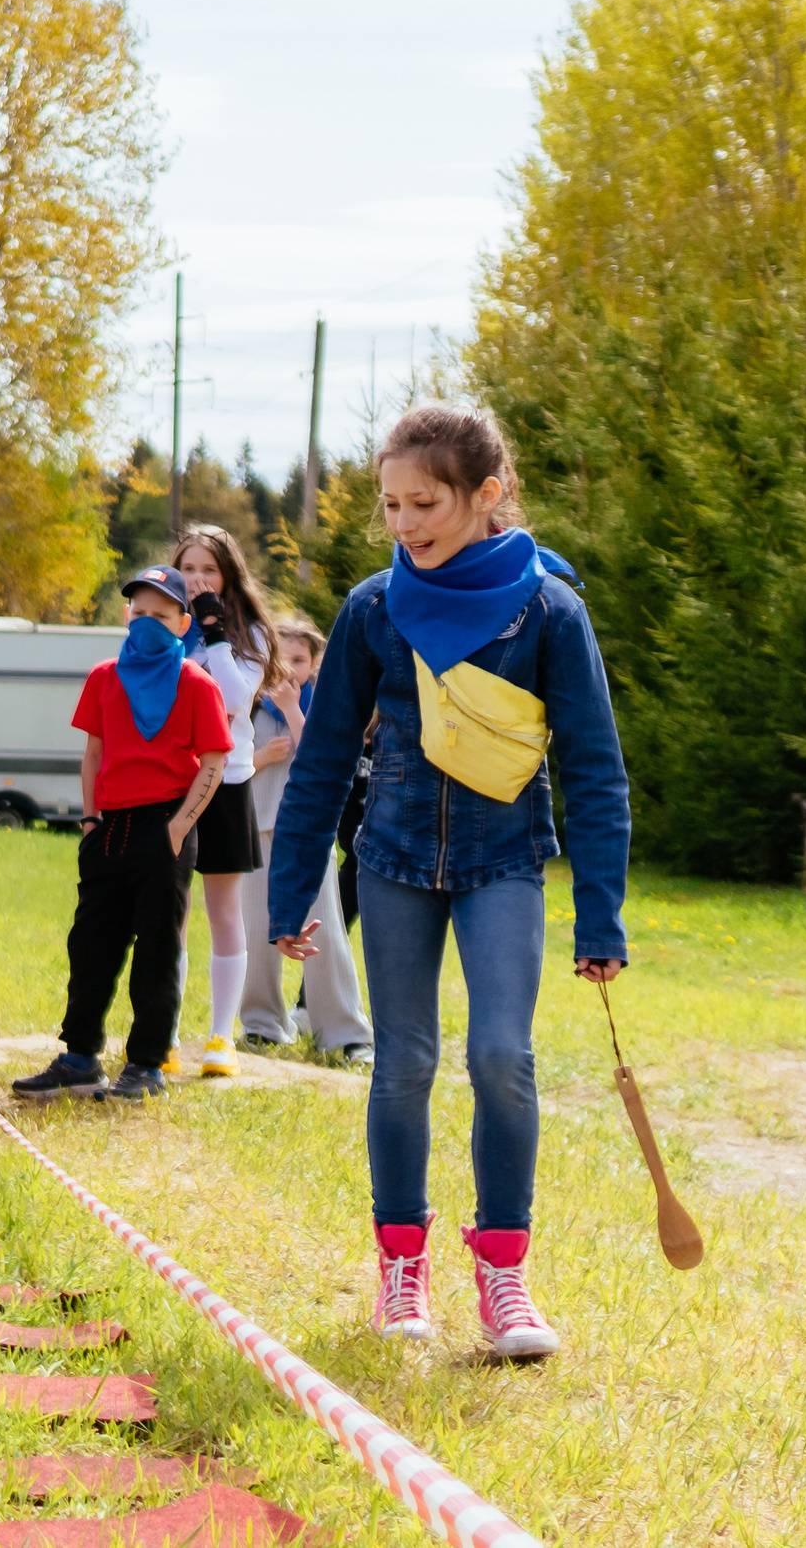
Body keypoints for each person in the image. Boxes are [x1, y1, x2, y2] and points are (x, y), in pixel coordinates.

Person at [268, 403, 629, 1361]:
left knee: (503, 1057)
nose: (403, 524)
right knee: (407, 1062)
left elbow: (594, 768)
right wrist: (293, 888)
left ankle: (504, 1275)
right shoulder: (371, 609)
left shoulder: (550, 610)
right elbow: (322, 760)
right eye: (389, 505)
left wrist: (602, 912)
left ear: (486, 496)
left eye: (423, 503)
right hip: (389, 860)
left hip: (504, 859)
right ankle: (401, 1268)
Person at [11, 566, 228, 1105]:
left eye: (161, 614)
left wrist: (178, 827)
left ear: (182, 623)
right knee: (90, 945)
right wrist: (89, 821)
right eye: (138, 611)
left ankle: (146, 1064)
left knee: (157, 951)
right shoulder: (104, 676)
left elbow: (215, 762)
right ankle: (80, 1057)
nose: (147, 621)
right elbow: (93, 754)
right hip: (109, 827)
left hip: (165, 824)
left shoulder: (197, 683)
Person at [237, 617, 370, 1064]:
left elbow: (322, 755)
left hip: (309, 831)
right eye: (282, 658)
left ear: (314, 665)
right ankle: (262, 1024)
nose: (289, 669)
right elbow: (229, 767)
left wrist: (294, 711)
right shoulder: (250, 705)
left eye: (300, 660)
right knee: (256, 929)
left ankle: (343, 1030)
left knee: (324, 928)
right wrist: (260, 756)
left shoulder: (320, 706)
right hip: (256, 825)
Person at [172, 525, 278, 1080]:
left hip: (228, 782)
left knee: (223, 911)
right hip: (169, 783)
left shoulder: (251, 634)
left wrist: (213, 630)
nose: (196, 580)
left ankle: (220, 1036)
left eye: (208, 570)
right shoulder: (163, 625)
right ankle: (163, 1033)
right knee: (171, 911)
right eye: (188, 569)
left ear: (228, 576)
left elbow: (237, 699)